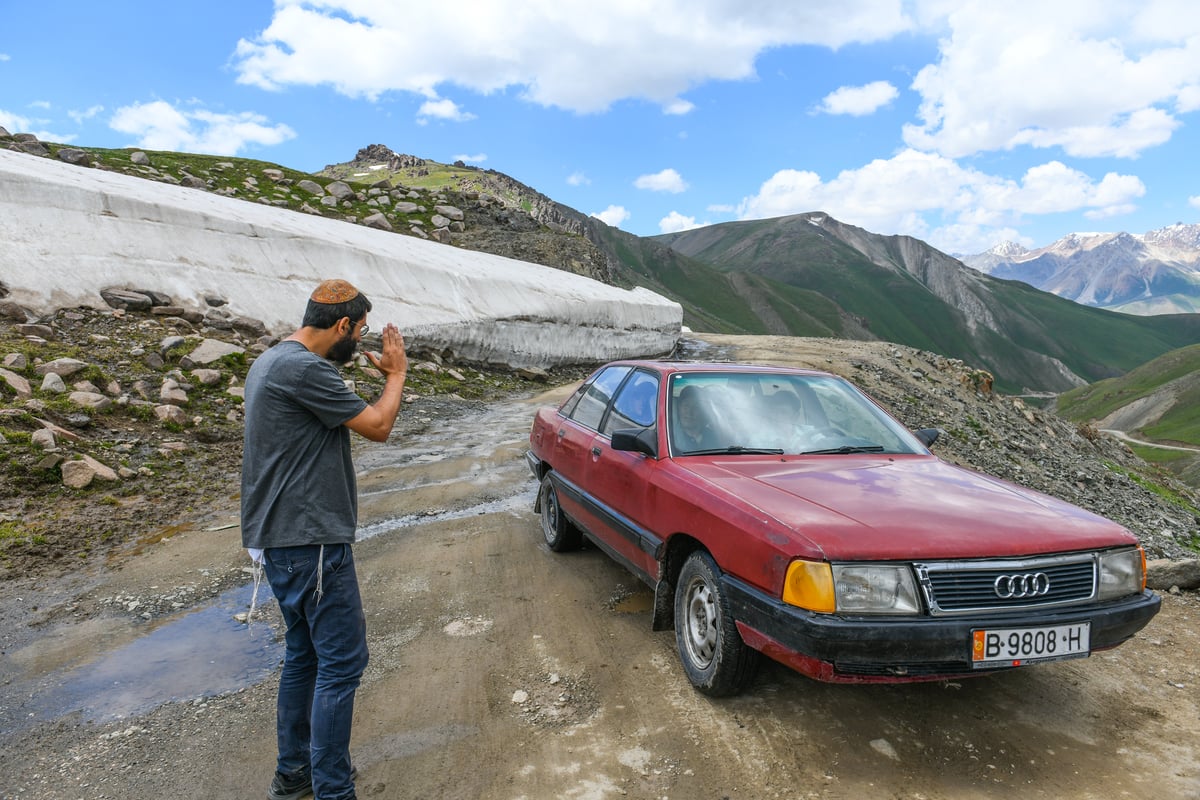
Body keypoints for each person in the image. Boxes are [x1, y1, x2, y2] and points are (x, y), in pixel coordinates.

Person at [241, 279, 408, 800]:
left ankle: (294, 775)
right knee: (341, 663)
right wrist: (397, 375)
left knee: (304, 656)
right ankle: (332, 790)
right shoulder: (305, 370)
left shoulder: (271, 361)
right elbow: (378, 425)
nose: (358, 344)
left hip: (279, 539)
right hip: (310, 542)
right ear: (339, 325)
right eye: (357, 334)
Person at [672, 384, 722, 452]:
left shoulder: (715, 436)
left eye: (696, 407)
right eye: (686, 406)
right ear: (679, 408)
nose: (689, 412)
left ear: (703, 411)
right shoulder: (671, 438)